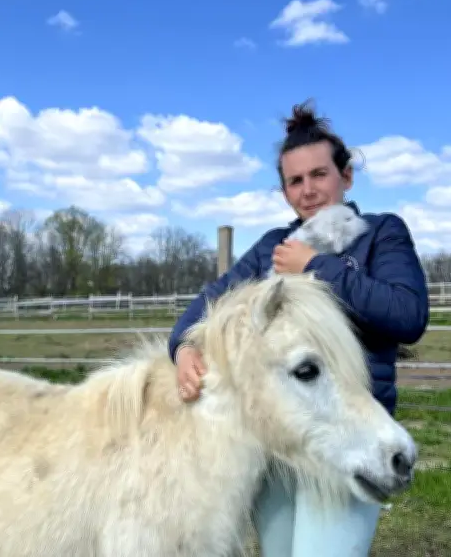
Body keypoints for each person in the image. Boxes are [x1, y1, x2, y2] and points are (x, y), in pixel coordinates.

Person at [167, 101, 430, 556]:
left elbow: (408, 315)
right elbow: (210, 302)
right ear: (285, 191)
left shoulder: (382, 233)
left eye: (319, 175)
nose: (308, 190)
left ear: (345, 177)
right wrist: (184, 346)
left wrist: (317, 267)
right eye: (295, 181)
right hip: (281, 444)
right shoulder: (274, 245)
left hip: (348, 434)